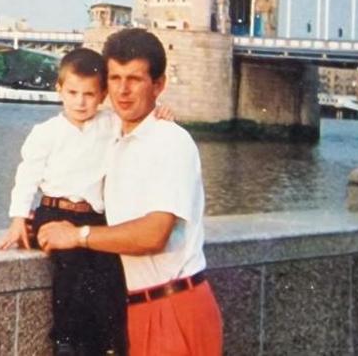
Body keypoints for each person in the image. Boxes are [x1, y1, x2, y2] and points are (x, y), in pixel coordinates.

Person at [38, 28, 223, 356]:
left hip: (173, 307)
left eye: (135, 79)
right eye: (115, 78)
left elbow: (154, 234)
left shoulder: (170, 141)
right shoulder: (117, 141)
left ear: (159, 85)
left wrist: (77, 235)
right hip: (136, 309)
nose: (123, 91)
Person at [0, 47, 128, 355]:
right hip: (53, 211)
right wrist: (18, 219)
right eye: (72, 92)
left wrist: (163, 114)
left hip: (94, 216)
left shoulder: (110, 124)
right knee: (71, 267)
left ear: (102, 95)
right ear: (59, 90)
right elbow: (27, 176)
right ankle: (66, 342)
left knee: (109, 272)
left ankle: (103, 344)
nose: (80, 102)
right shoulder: (46, 133)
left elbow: (143, 120)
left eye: (89, 94)